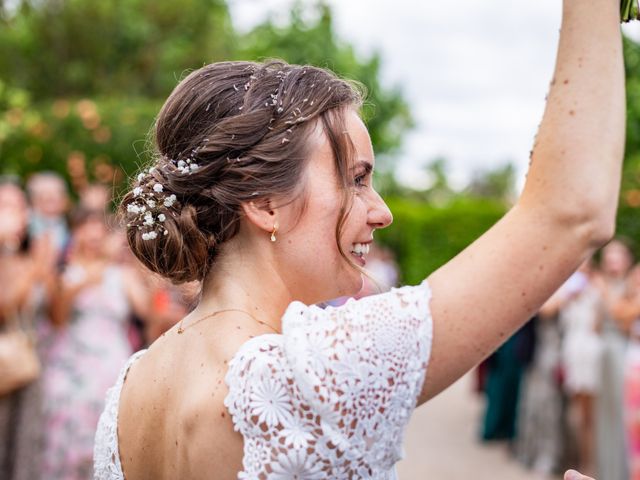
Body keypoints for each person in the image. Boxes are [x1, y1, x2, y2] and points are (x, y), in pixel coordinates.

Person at [94, 1, 624, 478]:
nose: (383, 212)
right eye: (356, 178)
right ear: (264, 202)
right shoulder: (304, 372)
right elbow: (571, 213)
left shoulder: (129, 392)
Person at [41, 208, 149, 479]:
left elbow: (147, 311)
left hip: (111, 366)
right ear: (75, 234)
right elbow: (57, 318)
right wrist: (85, 280)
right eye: (85, 229)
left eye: (97, 230)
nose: (92, 235)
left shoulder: (121, 273)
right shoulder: (65, 272)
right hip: (70, 367)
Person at [0, 179, 57, 480]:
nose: (17, 214)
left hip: (30, 367)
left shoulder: (27, 257)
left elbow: (56, 314)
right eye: (6, 206)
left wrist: (46, 270)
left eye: (20, 206)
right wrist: (35, 267)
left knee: (24, 449)